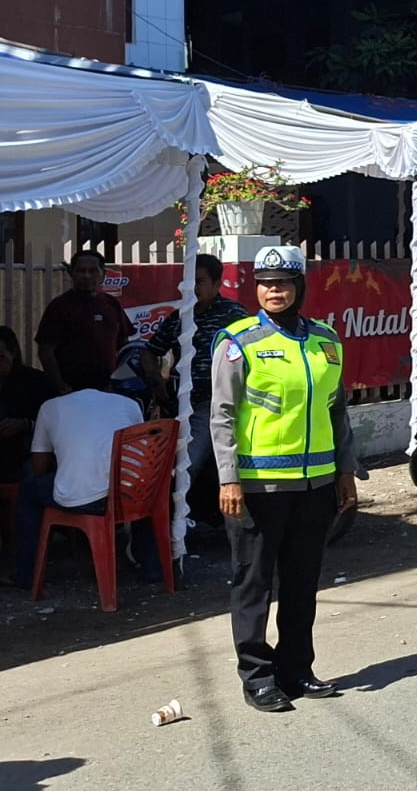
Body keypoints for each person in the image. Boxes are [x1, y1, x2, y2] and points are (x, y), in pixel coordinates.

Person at [212, 245, 358, 712]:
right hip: (259, 486)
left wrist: (346, 471)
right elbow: (221, 416)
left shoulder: (325, 341)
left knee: (301, 582)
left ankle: (296, 669)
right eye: (266, 283)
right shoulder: (239, 341)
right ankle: (257, 677)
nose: (275, 290)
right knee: (254, 583)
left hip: (316, 485)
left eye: (284, 282)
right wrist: (228, 479)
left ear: (300, 286)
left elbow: (337, 411)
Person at [9, 362, 161, 590]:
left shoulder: (50, 407)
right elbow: (139, 456)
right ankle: (153, 568)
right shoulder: (129, 404)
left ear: (66, 385)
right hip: (133, 495)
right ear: (108, 384)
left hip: (85, 499)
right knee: (136, 483)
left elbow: (39, 467)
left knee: (30, 488)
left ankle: (26, 575)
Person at [139, 255, 249, 524]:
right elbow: (149, 352)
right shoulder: (180, 317)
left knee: (195, 465)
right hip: (185, 404)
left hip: (222, 402)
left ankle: (186, 523)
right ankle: (173, 524)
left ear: (217, 284)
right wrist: (156, 379)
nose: (193, 287)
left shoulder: (234, 315)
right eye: (189, 281)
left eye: (200, 281)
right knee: (182, 466)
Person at [34, 249, 133, 396]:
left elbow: (124, 346)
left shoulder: (111, 304)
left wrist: (119, 383)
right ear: (71, 273)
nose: (87, 276)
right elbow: (45, 351)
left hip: (107, 390)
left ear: (103, 274)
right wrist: (60, 385)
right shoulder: (59, 307)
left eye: (93, 271)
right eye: (81, 271)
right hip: (71, 391)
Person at [0, 326, 54, 483]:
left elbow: (57, 425)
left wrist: (25, 425)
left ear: (13, 353)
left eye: (0, 357)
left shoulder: (36, 382)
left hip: (25, 457)